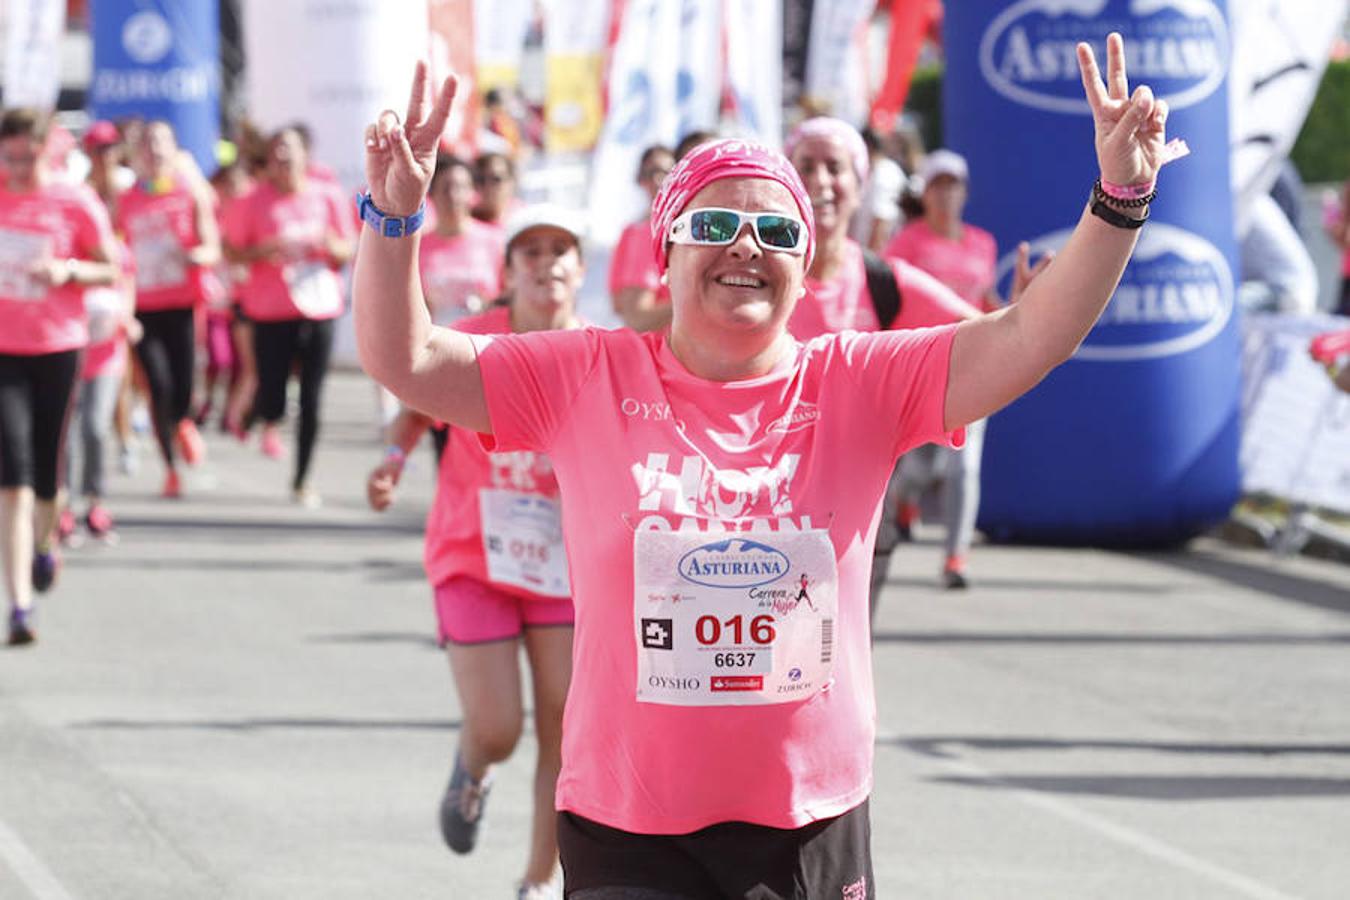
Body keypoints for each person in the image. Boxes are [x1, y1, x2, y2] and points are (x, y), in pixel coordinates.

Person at [355, 34, 1171, 894]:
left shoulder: (859, 379)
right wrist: (394, 216)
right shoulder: (583, 373)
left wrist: (1120, 199)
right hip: (628, 822)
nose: (746, 245)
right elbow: (404, 356)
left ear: (803, 268)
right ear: (663, 254)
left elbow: (1029, 337)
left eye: (777, 230)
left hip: (808, 821)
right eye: (713, 224)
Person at [368, 206, 583, 900]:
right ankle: (474, 766)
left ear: (580, 270)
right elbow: (414, 392)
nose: (546, 263)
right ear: (508, 269)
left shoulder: (597, 353)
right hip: (473, 555)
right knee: (498, 728)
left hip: (563, 566)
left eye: (561, 251)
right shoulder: (472, 340)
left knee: (566, 731)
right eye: (531, 251)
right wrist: (395, 457)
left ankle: (538, 881)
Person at [783, 117, 990, 598]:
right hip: (759, 524)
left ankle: (945, 542)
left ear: (860, 186)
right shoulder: (754, 275)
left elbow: (988, 337)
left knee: (843, 670)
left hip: (856, 530)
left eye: (835, 168)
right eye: (805, 166)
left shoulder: (883, 280)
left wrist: (1023, 310)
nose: (819, 181)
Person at [1, 108, 118, 644]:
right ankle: (21, 606)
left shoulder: (75, 201)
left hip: (57, 346)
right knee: (15, 481)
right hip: (4, 350)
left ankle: (46, 545)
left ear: (48, 148)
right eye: (10, 157)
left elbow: (111, 265)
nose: (20, 167)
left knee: (48, 477)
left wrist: (67, 271)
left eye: (29, 156)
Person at [224, 126, 353, 506]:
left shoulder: (326, 196)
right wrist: (261, 251)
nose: (283, 158)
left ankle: (302, 477)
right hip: (270, 311)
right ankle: (264, 415)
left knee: (313, 397)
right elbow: (232, 252)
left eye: (290, 150)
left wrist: (328, 246)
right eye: (277, 151)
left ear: (305, 156)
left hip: (319, 307)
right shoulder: (253, 201)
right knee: (273, 397)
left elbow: (345, 250)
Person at [116, 120, 221, 498]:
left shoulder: (189, 193)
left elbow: (213, 247)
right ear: (138, 153)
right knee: (157, 386)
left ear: (173, 149)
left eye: (161, 142)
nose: (154, 149)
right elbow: (113, 252)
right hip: (142, 308)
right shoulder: (126, 200)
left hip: (182, 304)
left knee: (182, 387)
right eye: (147, 143)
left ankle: (182, 423)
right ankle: (171, 467)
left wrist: (195, 255)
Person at [608, 144, 674, 332]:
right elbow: (638, 317)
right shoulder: (642, 233)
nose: (657, 180)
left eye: (664, 172)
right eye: (649, 173)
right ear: (639, 180)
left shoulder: (636, 231)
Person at [850, 127, 905, 253]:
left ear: (867, 147)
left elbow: (881, 223)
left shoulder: (885, 174)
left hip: (876, 257)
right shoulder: (871, 171)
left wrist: (870, 261)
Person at [471, 152, 518, 232]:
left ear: (511, 182)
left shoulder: (524, 217)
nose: (488, 186)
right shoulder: (466, 222)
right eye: (481, 180)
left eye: (496, 179)